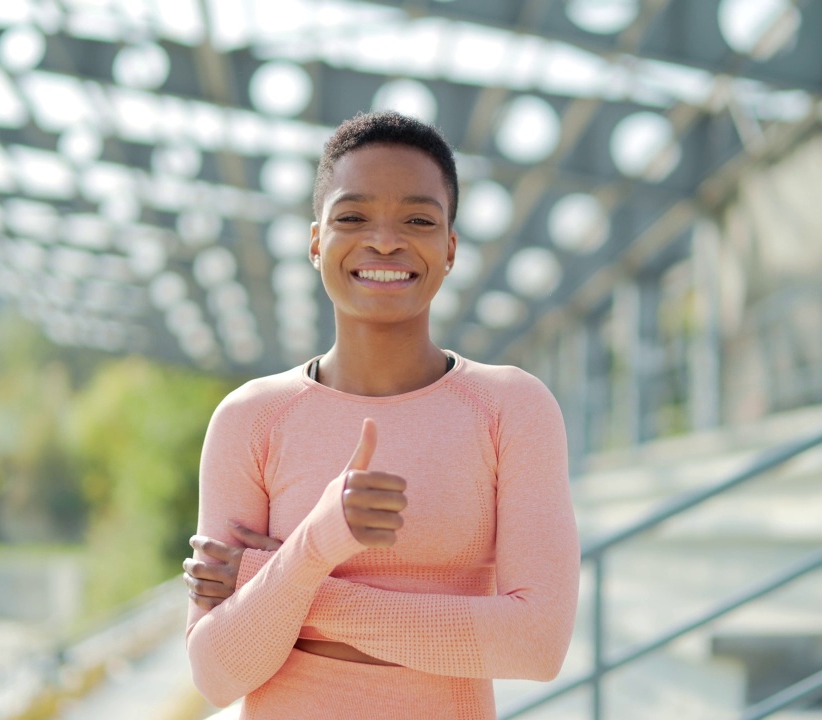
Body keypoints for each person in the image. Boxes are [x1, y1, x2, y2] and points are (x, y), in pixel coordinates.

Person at [181, 111, 580, 719]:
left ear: (449, 248)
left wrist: (275, 580)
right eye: (353, 217)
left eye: (418, 219)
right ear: (316, 241)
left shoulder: (511, 408)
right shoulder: (251, 419)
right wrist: (316, 543)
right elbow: (216, 675)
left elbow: (536, 644)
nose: (386, 240)